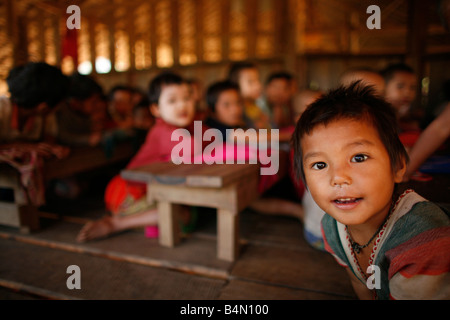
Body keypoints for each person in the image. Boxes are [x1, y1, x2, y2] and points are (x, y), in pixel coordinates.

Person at [292, 81, 450, 300]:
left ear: (398, 166)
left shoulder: (424, 242)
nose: (338, 177)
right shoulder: (332, 226)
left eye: (358, 157)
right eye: (320, 165)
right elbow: (359, 281)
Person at [76, 71, 201, 242]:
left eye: (187, 98)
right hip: (129, 191)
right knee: (180, 214)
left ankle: (148, 223)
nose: (182, 106)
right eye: (172, 101)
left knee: (187, 213)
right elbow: (196, 147)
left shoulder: (187, 127)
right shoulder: (163, 131)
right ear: (156, 109)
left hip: (152, 191)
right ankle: (116, 224)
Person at [56, 72, 105, 147]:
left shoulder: (87, 114)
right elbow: (63, 137)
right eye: (94, 102)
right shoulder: (60, 111)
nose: (98, 105)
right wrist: (88, 139)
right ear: (75, 103)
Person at [228, 61, 270, 130]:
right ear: (235, 84)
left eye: (258, 80)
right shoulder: (235, 111)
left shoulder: (255, 105)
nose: (258, 86)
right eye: (251, 82)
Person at [381, 63, 419, 132]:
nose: (407, 92)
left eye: (412, 87)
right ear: (383, 87)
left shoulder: (401, 115)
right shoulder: (380, 115)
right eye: (400, 86)